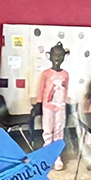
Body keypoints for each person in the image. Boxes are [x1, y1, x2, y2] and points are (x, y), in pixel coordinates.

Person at [37, 42, 72, 171]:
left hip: (60, 106)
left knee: (58, 131)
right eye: (55, 56)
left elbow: (66, 90)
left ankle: (57, 156)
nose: (57, 59)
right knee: (48, 131)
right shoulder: (46, 73)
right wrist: (39, 103)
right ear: (50, 57)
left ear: (64, 57)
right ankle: (47, 156)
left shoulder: (65, 74)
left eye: (60, 56)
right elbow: (41, 89)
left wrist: (65, 104)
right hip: (48, 106)